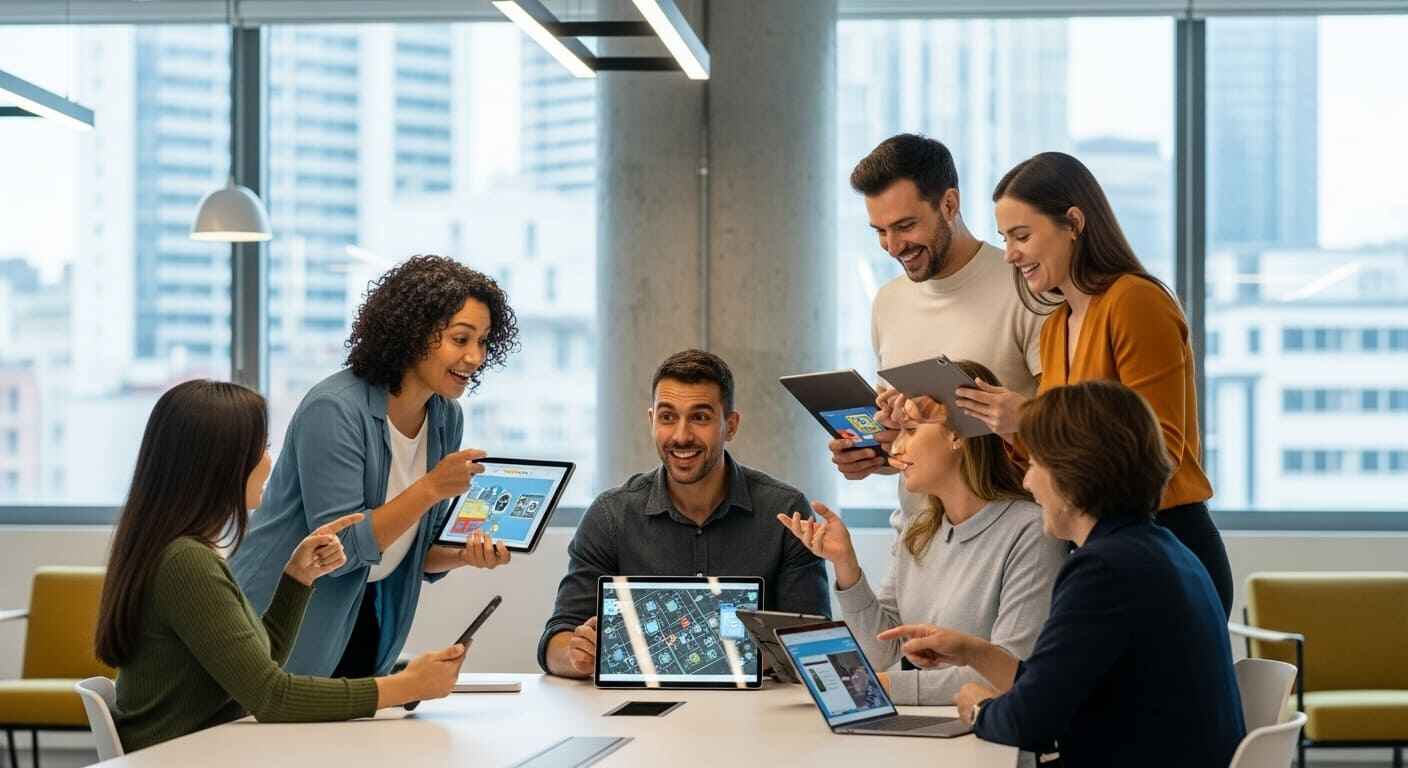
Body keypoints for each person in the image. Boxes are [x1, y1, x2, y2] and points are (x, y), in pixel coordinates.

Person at [879, 381, 1245, 768]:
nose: (1026, 481)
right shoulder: (1164, 551)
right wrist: (974, 651)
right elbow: (1052, 683)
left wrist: (981, 710)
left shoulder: (1104, 570)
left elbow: (1028, 722)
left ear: (1071, 471)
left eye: (1035, 464)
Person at [97, 381, 467, 753]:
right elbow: (272, 696)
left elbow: (259, 667)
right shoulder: (186, 563)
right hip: (180, 758)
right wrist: (405, 686)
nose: (269, 461)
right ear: (222, 463)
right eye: (262, 449)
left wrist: (296, 580)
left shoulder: (180, 552)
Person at [954, 151, 1233, 616]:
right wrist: (1001, 425)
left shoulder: (1135, 302)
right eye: (1005, 238)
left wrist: (1029, 416)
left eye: (1022, 235)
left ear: (1074, 223)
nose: (1010, 254)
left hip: (1164, 543)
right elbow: (1056, 464)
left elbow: (1160, 452)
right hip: (1096, 549)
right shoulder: (1056, 325)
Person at [231, 255, 517, 678]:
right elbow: (338, 550)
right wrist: (432, 489)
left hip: (361, 617)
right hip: (276, 618)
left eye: (484, 342)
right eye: (461, 339)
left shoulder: (444, 417)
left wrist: (465, 555)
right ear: (412, 334)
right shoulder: (334, 409)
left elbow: (413, 551)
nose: (475, 357)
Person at [779, 360, 1066, 706]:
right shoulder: (919, 532)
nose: (895, 449)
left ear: (958, 435)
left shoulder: (1031, 530)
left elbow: (1011, 671)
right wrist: (846, 566)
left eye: (910, 431)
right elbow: (883, 651)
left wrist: (873, 687)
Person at [540, 350, 831, 678]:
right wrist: (575, 655)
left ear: (730, 425)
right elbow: (556, 639)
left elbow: (814, 645)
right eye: (667, 417)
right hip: (642, 718)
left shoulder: (784, 511)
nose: (681, 435)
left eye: (700, 417)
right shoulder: (610, 515)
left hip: (753, 715)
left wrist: (718, 656)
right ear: (652, 421)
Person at [835, 134, 1044, 533]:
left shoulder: (1027, 287)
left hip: (1007, 543)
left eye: (905, 226)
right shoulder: (888, 302)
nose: (893, 246)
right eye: (879, 231)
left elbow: (1060, 427)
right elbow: (913, 439)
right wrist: (877, 453)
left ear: (949, 204)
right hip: (916, 542)